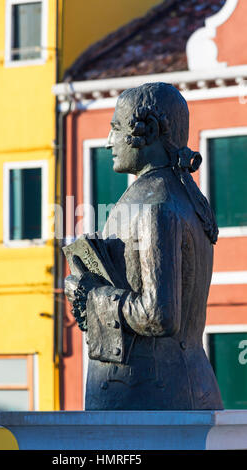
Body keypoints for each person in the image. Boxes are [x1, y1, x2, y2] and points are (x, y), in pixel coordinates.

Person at [64, 82, 223, 410]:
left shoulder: (154, 206)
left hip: (148, 395)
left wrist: (91, 295)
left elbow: (159, 315)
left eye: (115, 128)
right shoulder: (186, 200)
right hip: (184, 388)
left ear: (147, 130)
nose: (109, 142)